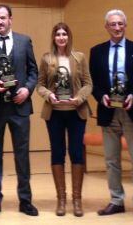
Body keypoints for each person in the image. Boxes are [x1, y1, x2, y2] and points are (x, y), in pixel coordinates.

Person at [0, 4, 39, 217]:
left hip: (19, 107)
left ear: (10, 19)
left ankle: (26, 200)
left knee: (22, 156)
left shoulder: (24, 41)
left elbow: (33, 72)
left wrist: (27, 91)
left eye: (3, 18)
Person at [89, 9, 133, 219]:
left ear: (125, 26)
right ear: (106, 27)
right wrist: (101, 97)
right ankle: (116, 200)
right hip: (109, 112)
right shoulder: (96, 51)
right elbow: (93, 83)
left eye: (120, 24)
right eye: (113, 24)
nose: (117, 28)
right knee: (111, 160)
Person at [36, 22, 92, 217]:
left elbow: (88, 83)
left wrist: (80, 98)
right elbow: (40, 84)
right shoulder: (46, 58)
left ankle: (77, 200)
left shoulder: (80, 57)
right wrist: (48, 95)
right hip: (55, 113)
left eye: (64, 34)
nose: (61, 37)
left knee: (76, 153)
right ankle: (61, 199)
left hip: (76, 112)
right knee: (57, 153)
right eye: (58, 34)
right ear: (54, 37)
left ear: (69, 37)